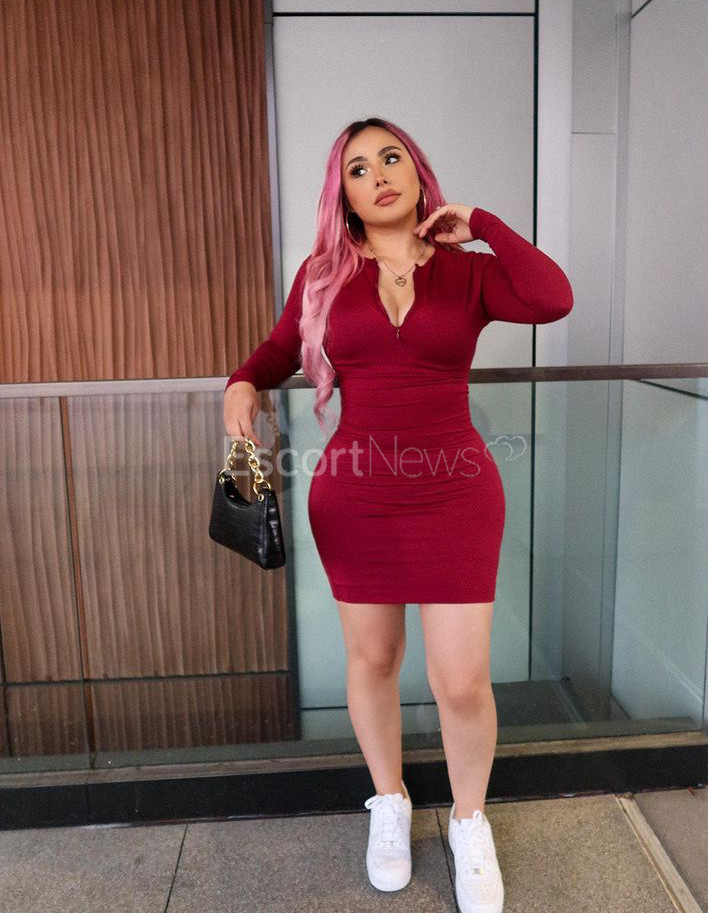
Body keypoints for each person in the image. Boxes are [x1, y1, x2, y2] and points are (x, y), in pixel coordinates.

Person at [224, 117, 574, 913]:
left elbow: (553, 296)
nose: (379, 175)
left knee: (461, 679)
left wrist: (480, 223)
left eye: (392, 158)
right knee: (374, 658)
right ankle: (390, 800)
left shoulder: (470, 273)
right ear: (343, 196)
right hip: (355, 495)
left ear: (418, 174)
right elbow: (276, 352)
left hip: (456, 491)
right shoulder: (322, 275)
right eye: (359, 168)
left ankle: (470, 821)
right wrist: (242, 382)